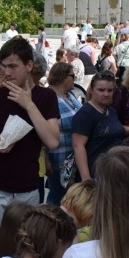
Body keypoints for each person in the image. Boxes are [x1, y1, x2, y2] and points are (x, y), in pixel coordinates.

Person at [0, 38, 59, 236]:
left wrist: (29, 105)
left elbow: (52, 141)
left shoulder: (46, 97)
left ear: (29, 65)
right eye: (4, 66)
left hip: (27, 188)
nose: (7, 72)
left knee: (25, 246)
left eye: (13, 66)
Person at [71, 72, 129, 182]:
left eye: (110, 90)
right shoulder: (85, 114)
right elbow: (78, 146)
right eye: (101, 90)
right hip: (95, 174)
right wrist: (86, 180)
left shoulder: (111, 110)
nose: (106, 94)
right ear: (91, 90)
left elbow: (117, 130)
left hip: (113, 173)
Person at [46, 62, 82, 205]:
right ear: (62, 77)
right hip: (58, 160)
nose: (75, 78)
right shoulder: (49, 97)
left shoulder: (70, 94)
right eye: (72, 75)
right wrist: (45, 159)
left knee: (69, 199)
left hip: (74, 160)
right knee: (57, 199)